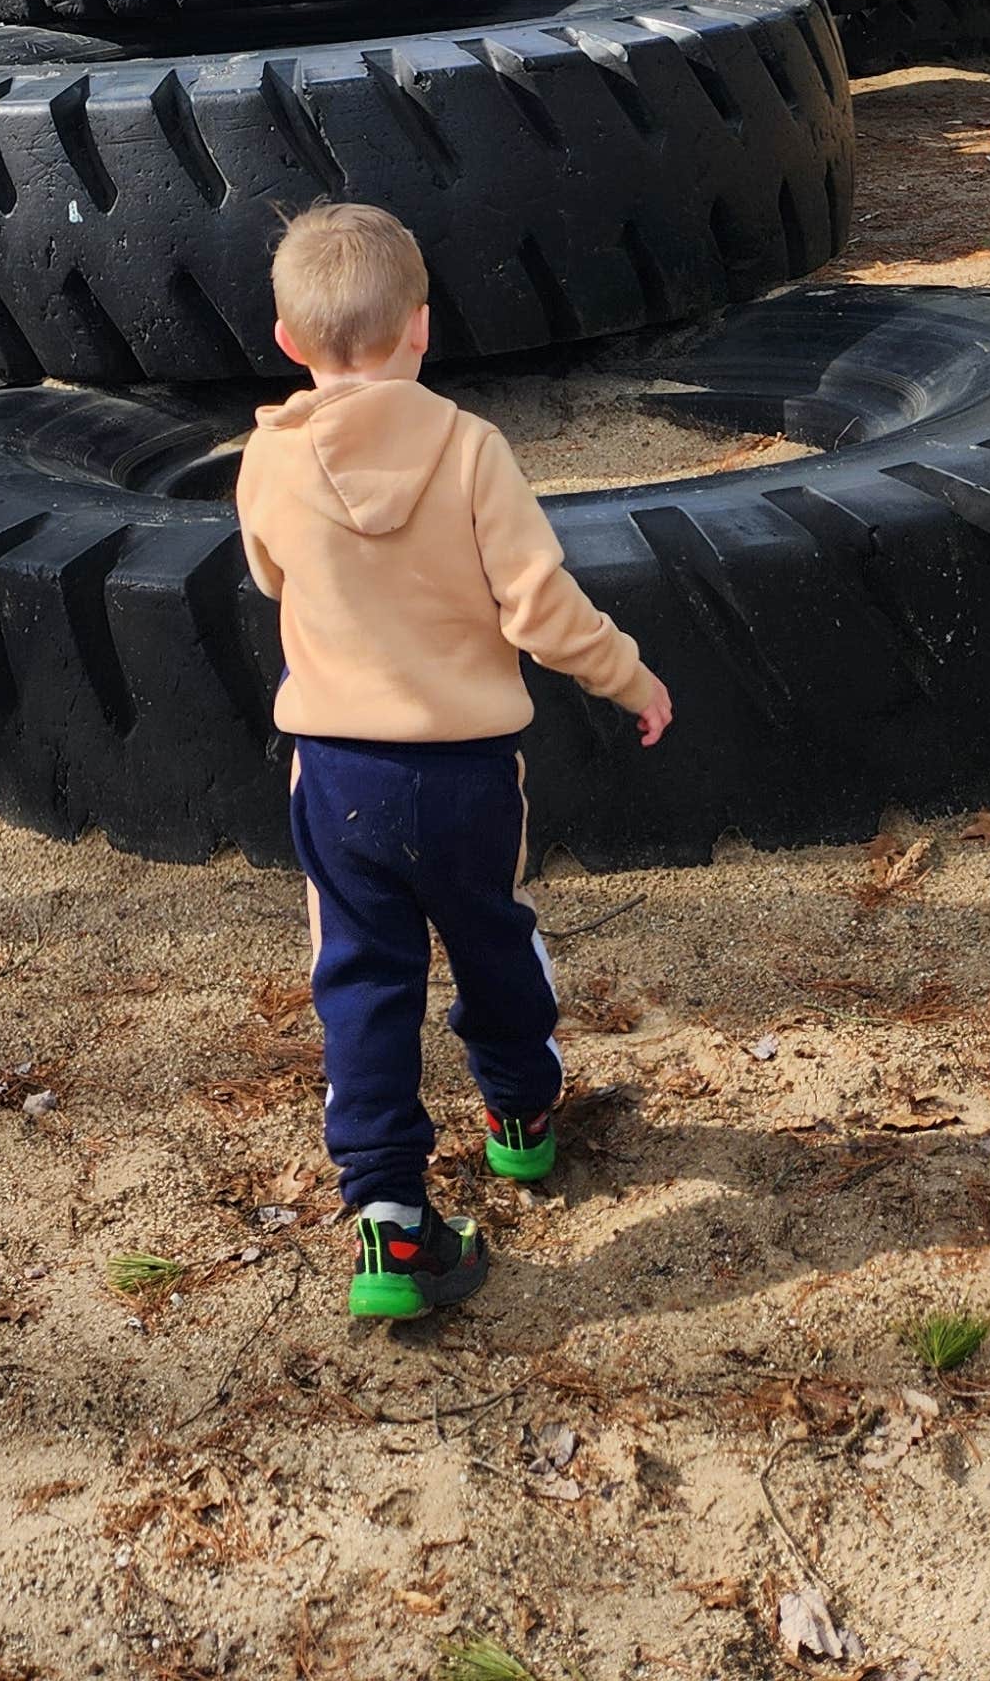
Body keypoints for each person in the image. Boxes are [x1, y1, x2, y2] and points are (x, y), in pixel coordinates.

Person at [235, 200, 672, 1327]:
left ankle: (389, 1216)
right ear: (422, 327)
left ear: (287, 340)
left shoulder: (267, 459)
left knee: (361, 981)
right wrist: (629, 677)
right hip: (469, 770)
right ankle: (521, 1115)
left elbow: (272, 576)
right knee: (494, 937)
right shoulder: (473, 450)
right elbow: (539, 606)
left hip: (338, 774)